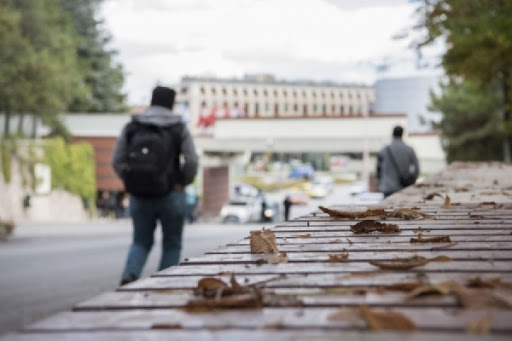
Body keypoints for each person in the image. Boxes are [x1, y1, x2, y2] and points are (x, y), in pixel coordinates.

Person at [112, 86, 198, 286]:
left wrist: (130, 180)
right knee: (172, 243)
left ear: (152, 101)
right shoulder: (179, 127)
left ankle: (131, 274)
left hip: (140, 195)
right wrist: (183, 181)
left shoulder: (133, 126)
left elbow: (117, 160)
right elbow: (192, 161)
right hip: (172, 194)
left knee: (140, 241)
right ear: (172, 103)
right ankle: (164, 283)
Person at [376, 125, 419, 197]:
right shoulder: (409, 150)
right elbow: (416, 168)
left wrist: (381, 182)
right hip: (403, 188)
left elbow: (378, 168)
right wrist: (412, 181)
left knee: (386, 207)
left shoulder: (384, 150)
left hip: (387, 188)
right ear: (402, 134)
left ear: (392, 134)